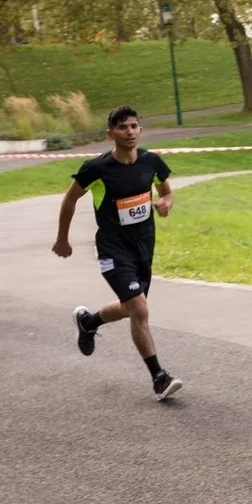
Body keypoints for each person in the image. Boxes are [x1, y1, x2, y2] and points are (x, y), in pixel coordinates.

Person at [52, 105, 183, 401]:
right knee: (139, 309)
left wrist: (166, 203)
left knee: (130, 307)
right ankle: (159, 378)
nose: (130, 132)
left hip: (144, 247)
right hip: (113, 249)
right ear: (111, 133)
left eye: (134, 126)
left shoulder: (152, 162)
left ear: (141, 130)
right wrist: (62, 238)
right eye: (123, 127)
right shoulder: (96, 168)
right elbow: (70, 200)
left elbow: (167, 191)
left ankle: (89, 321)